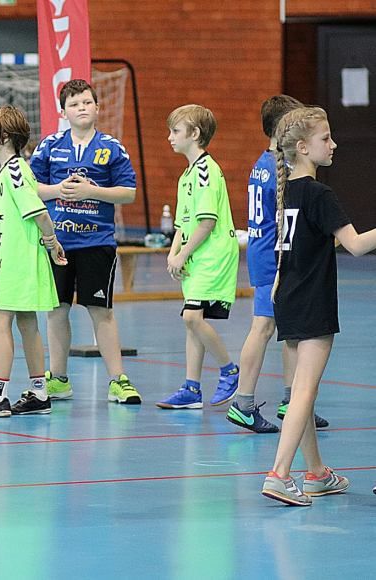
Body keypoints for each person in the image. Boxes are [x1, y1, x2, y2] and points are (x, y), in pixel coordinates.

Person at [260, 107, 376, 505]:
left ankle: (316, 473)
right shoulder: (319, 193)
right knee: (305, 391)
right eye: (326, 138)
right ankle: (279, 474)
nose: (334, 144)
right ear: (303, 147)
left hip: (288, 298)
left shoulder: (286, 191)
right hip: (312, 301)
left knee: (300, 392)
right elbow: (356, 245)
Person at [29, 79, 142, 405]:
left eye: (87, 102)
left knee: (101, 311)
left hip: (96, 242)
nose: (81, 108)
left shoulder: (112, 147)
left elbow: (128, 193)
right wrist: (58, 190)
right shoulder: (49, 146)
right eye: (74, 104)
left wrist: (91, 191)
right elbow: (30, 187)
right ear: (63, 111)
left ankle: (118, 380)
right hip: (57, 242)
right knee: (56, 310)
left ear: (97, 107)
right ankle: (58, 379)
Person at [227, 95, 330, 433]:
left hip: (266, 250)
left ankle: (292, 400)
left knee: (292, 332)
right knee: (263, 327)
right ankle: (243, 403)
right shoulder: (282, 168)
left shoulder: (263, 161)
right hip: (274, 256)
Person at [0, 106, 66, 418]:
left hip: (21, 264)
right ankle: (39, 393)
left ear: (3, 137)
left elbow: (40, 214)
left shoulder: (15, 171)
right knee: (27, 322)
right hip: (16, 260)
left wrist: (52, 243)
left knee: (0, 322)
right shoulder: (10, 170)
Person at [156, 105, 241, 409]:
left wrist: (183, 254)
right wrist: (173, 253)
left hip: (213, 254)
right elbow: (182, 223)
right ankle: (191, 388)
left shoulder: (206, 171)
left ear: (195, 134)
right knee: (193, 320)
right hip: (195, 255)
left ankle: (230, 371)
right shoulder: (186, 175)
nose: (169, 137)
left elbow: (207, 222)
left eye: (175, 131)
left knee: (191, 316)